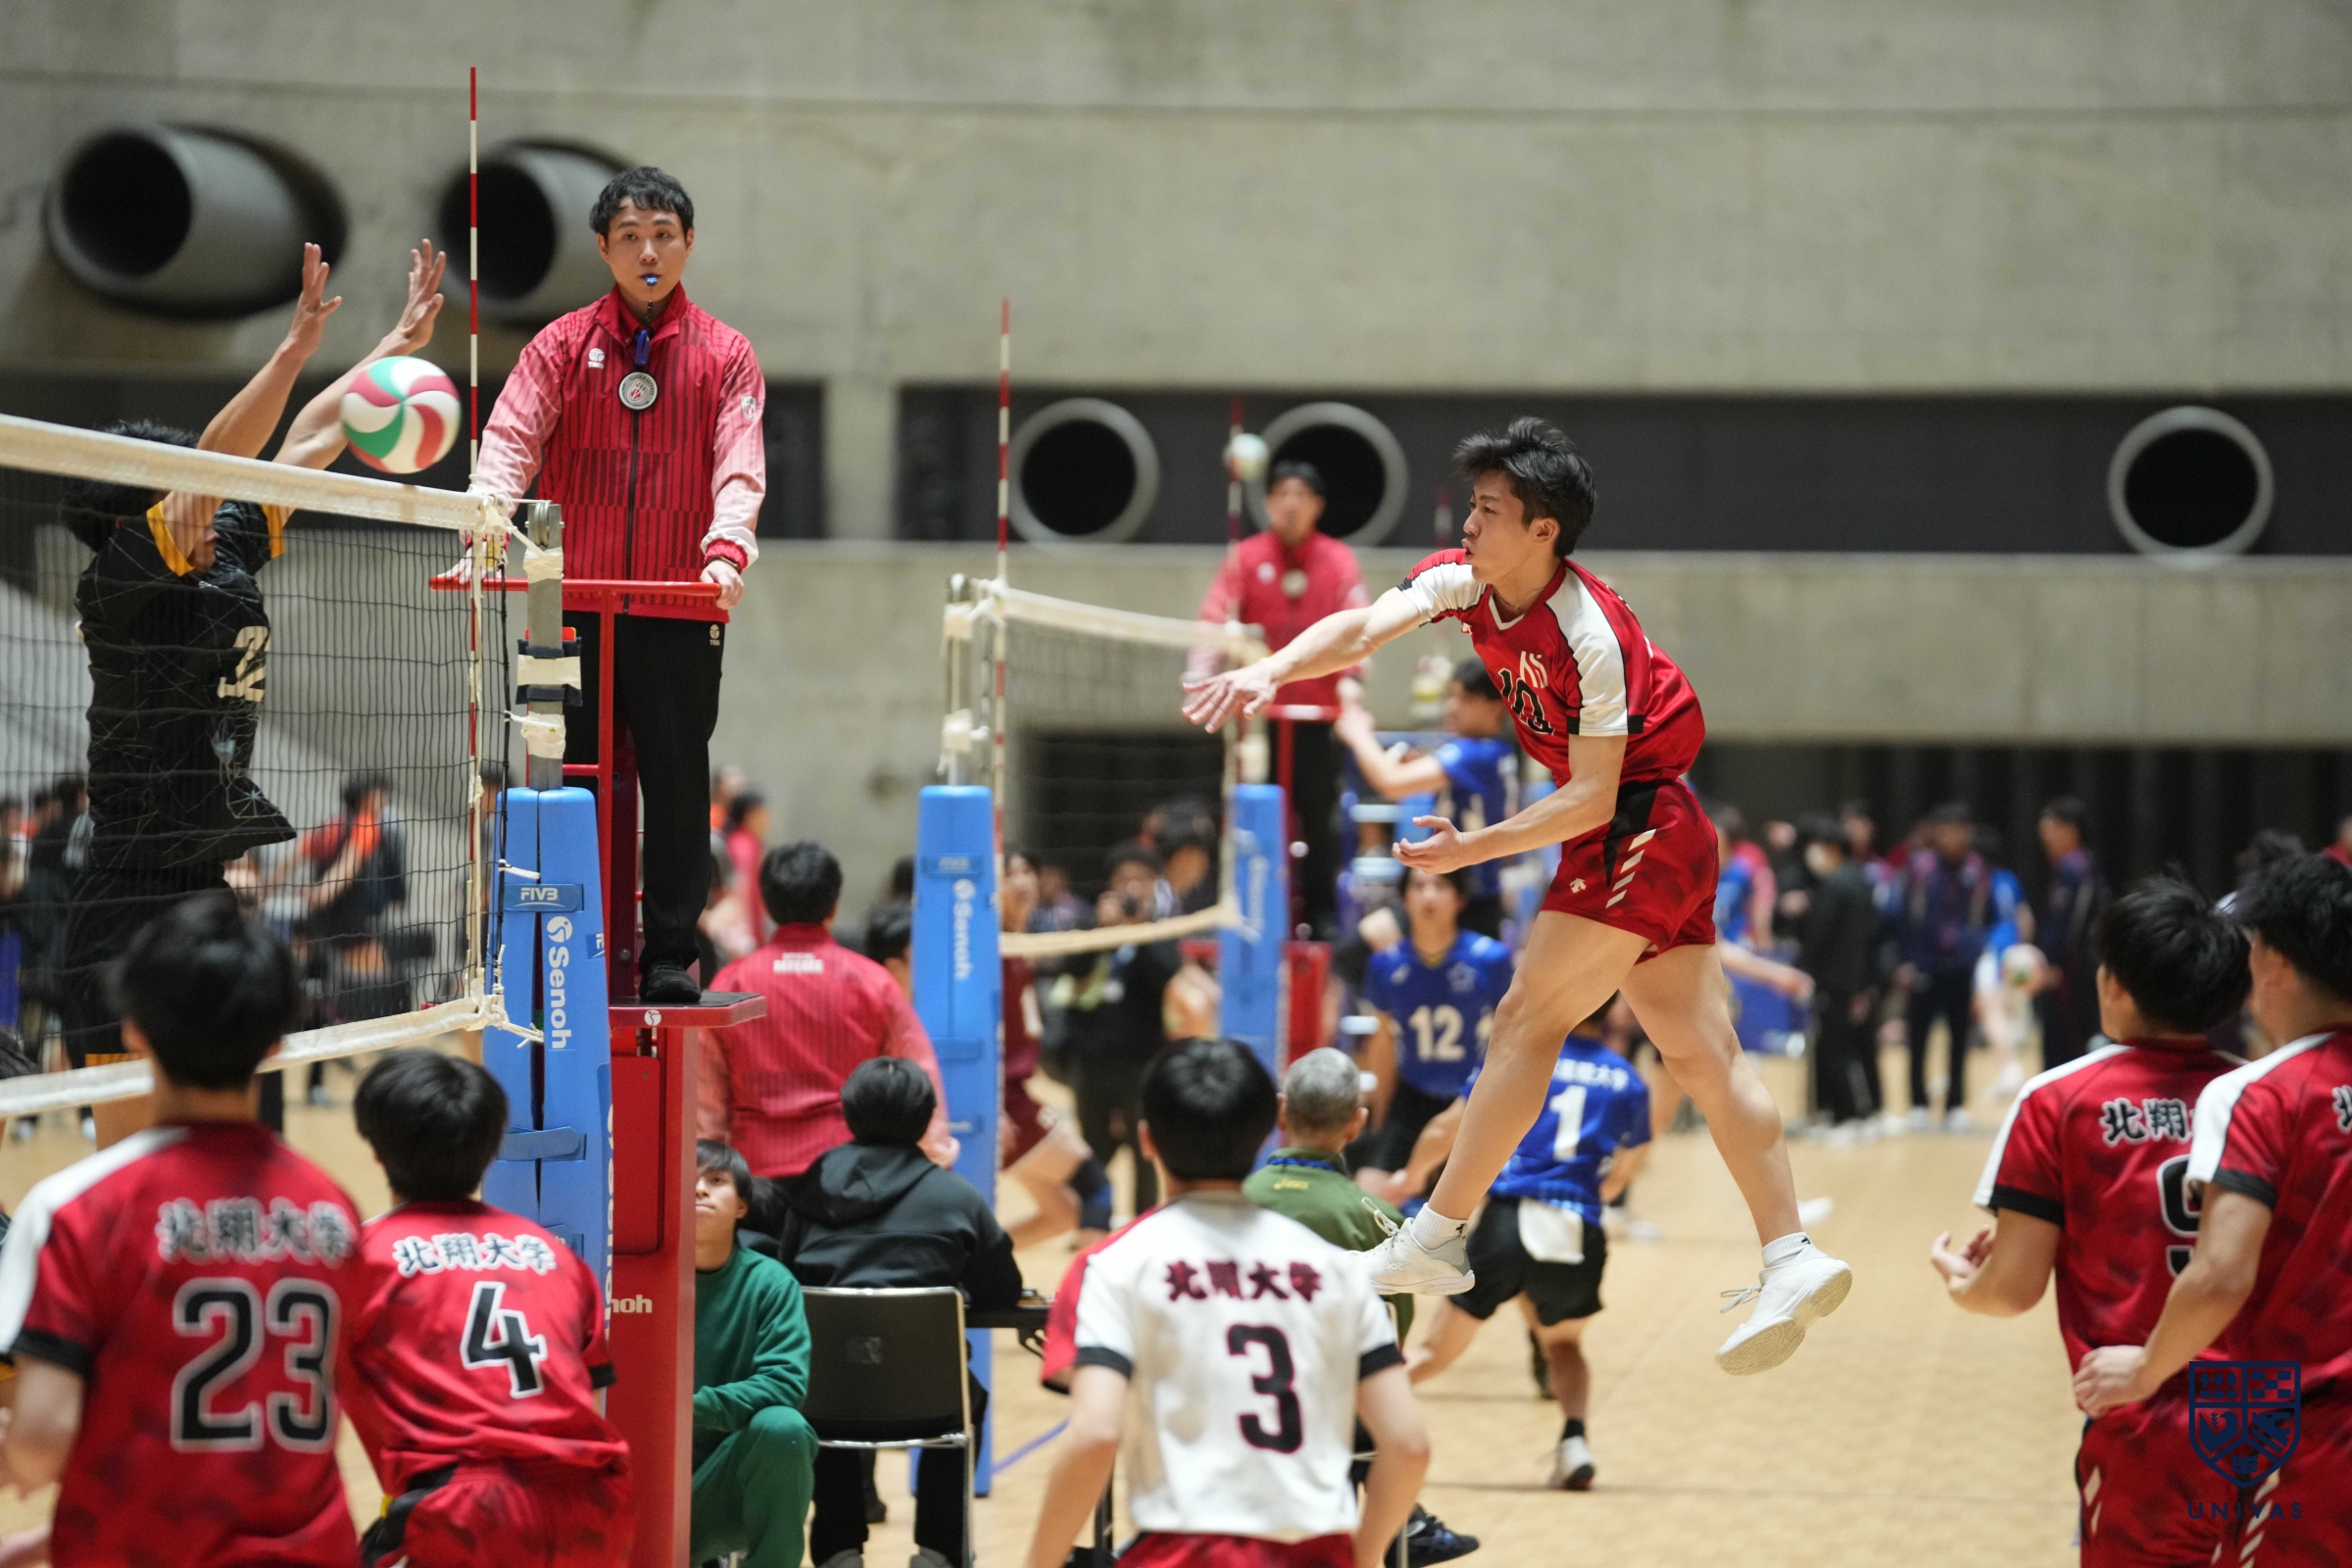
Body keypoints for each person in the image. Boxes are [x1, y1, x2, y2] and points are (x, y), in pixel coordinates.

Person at [1182, 417, 1848, 1373]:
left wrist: (1473, 850)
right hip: (1657, 829)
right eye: (1472, 505)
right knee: (1702, 1052)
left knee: (1526, 1019)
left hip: (1635, 820)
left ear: (1544, 529)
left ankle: (1439, 1232)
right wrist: (1273, 668)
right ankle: (1790, 1254)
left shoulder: (1592, 633)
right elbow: (1363, 627)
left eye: (1490, 511)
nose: (1470, 523)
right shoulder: (1466, 582)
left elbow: (1591, 796)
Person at [52, 242, 446, 1069]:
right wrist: (291, 350)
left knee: (217, 1110)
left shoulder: (224, 549)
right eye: (174, 495)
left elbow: (309, 442)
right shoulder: (118, 580)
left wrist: (388, 356)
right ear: (132, 521)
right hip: (127, 894)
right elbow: (212, 467)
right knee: (137, 1129)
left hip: (207, 883)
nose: (204, 505)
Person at [472, 167, 766, 1005]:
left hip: (679, 606)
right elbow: (510, 438)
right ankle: (566, 935)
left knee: (677, 783)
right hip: (565, 610)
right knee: (564, 780)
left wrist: (726, 552)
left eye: (664, 236)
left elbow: (739, 464)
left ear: (689, 243)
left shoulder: (728, 355)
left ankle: (670, 953)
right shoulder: (559, 346)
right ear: (603, 248)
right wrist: (487, 516)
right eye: (631, 238)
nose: (648, 253)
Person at [0, 895, 363, 1565]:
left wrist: (19, 1448)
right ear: (277, 1043)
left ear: (133, 1029)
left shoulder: (79, 1211)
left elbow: (42, 1441)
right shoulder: (334, 1210)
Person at [1929, 879, 2248, 1566]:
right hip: (2274, 1412)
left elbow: (2012, 1287)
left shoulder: (2059, 1099)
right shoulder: (2263, 1091)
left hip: (2140, 1411)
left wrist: (1965, 1285)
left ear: (2114, 986)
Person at [1022, 1038, 1429, 1568]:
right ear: (1267, 1130)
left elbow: (1097, 1433)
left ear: (1147, 1140)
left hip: (1185, 1549)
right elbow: (1408, 1445)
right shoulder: (1337, 1270)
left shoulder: (1112, 1265)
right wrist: (1365, 1556)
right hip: (1318, 1551)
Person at [2074, 855, 2352, 1563]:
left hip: (2313, 1431)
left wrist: (2146, 1369)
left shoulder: (2262, 1092)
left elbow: (2222, 1273)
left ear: (2274, 962)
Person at [343, 1050, 633, 1568]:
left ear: (376, 1149)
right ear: (492, 1145)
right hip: (594, 1501)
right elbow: (589, 1395)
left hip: (467, 1509)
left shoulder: (363, 1260)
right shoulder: (552, 1254)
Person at [775, 1059, 1021, 1568]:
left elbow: (786, 1279)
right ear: (927, 1116)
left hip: (825, 1397)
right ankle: (938, 1551)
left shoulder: (808, 1189)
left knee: (829, 1380)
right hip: (930, 1400)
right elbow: (1003, 1288)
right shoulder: (956, 1197)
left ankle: (838, 1550)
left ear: (848, 1113)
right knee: (965, 1397)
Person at [1244, 1049, 1479, 1568]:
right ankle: (1403, 1526)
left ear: (1282, 1113)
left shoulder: (1233, 1203)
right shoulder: (1378, 1220)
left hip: (1239, 1408)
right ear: (1356, 1122)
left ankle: (1410, 1523)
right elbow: (1394, 1334)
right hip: (1344, 1424)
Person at [1401, 1004, 1651, 1492]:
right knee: (1563, 1345)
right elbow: (1627, 1169)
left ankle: (1349, 1418)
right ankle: (1575, 1440)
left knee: (1432, 1353)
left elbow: (1447, 1128)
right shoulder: (1626, 1078)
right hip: (1577, 1226)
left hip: (1511, 1216)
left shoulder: (1521, 1055)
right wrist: (1588, 1194)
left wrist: (1410, 1178)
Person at [702, 841, 955, 1179]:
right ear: (833, 906)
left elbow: (704, 1099)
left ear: (766, 905)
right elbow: (920, 1076)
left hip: (756, 1179)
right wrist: (934, 1162)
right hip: (850, 1178)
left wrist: (706, 1175)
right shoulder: (873, 984)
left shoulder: (729, 985)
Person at [1195, 461, 1370, 938]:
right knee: (1249, 812)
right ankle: (1242, 907)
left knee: (1319, 819)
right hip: (1255, 721)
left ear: (1317, 506)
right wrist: (1201, 673)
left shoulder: (1337, 560)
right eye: (1282, 495)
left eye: (1301, 495)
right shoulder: (1246, 557)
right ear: (1269, 503)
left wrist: (1352, 683)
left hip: (1317, 718)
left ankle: (1321, 916)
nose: (1291, 504)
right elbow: (1215, 618)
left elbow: (1359, 624)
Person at [690, 1140, 819, 1568]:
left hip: (726, 1483)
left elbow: (785, 1382)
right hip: (643, 1482)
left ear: (742, 1206)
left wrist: (690, 1407)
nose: (699, 1189)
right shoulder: (634, 1281)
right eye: (687, 1179)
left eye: (716, 1180)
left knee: (784, 1428)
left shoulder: (771, 1282)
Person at [1348, 867, 1512, 1196]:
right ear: (1405, 898)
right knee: (1367, 1195)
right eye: (1419, 886)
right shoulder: (1385, 964)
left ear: (1459, 899)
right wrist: (1381, 1114)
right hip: (1412, 1096)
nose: (1428, 895)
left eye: (1440, 885)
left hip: (1470, 1100)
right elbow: (1382, 1043)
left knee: (1475, 1202)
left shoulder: (1491, 959)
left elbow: (1509, 1040)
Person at [1334, 660, 1518, 939]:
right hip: (1476, 892)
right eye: (1451, 695)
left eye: (1466, 699)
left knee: (1355, 951)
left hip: (1458, 898)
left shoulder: (1471, 753)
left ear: (1496, 708)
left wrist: (1358, 734)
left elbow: (1391, 782)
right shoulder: (1501, 751)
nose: (1452, 707)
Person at [1055, 841, 1188, 1219]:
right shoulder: (1092, 924)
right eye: (1123, 879)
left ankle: (1142, 1224)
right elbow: (1071, 969)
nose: (1131, 887)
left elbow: (1167, 974)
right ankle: (1094, 1225)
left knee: (1145, 1150)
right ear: (1111, 884)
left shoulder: (1162, 929)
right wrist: (1101, 931)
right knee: (1092, 1149)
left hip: (1141, 1060)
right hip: (1091, 1059)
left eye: (1141, 880)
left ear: (1154, 885)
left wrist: (1139, 931)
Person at [998, 849, 1112, 1249]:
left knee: (1062, 1214)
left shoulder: (1019, 946)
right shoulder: (988, 950)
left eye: (1028, 871)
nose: (1022, 881)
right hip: (1005, 1105)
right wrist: (993, 1106)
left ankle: (972, 1266)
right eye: (1010, 874)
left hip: (1014, 1096)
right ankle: (1092, 1284)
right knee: (1096, 1190)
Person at [1894, 803, 1995, 1130]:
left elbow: (1988, 915)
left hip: (1961, 967)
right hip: (1924, 964)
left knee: (1959, 1037)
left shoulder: (1977, 869)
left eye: (1959, 830)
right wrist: (1906, 961)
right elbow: (1903, 917)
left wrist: (1976, 950)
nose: (1952, 837)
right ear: (1936, 832)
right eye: (1946, 830)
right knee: (1918, 1037)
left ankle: (1955, 1104)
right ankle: (1918, 1104)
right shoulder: (1920, 866)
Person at [1794, 815, 1883, 1132]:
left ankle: (1842, 1115)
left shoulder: (1833, 884)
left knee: (1834, 1048)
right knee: (1862, 1046)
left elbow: (1819, 937)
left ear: (1831, 847)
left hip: (1834, 980)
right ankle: (1871, 1110)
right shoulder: (1862, 879)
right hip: (1860, 979)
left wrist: (1804, 967)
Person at [2035, 797, 2109, 1072]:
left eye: (2050, 829)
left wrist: (2053, 966)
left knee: (2067, 1054)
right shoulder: (2071, 867)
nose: (2044, 837)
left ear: (2070, 830)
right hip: (2067, 973)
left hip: (2070, 976)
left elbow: (2073, 926)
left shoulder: (2075, 868)